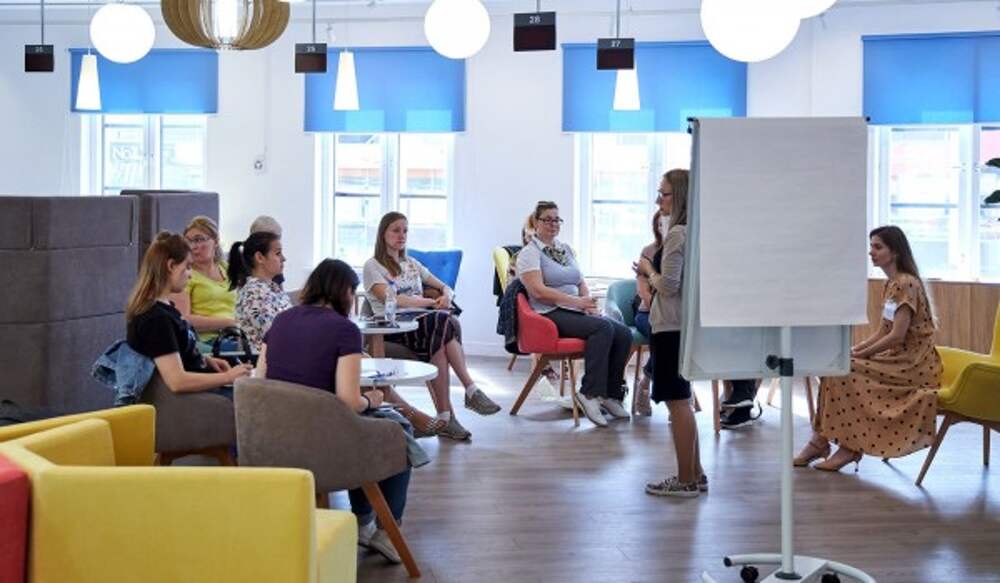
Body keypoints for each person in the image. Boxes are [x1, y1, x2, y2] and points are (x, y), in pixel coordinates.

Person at [256, 258, 407, 564]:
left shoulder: (281, 321)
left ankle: (363, 521)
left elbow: (259, 383)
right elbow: (348, 401)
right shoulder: (344, 330)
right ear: (346, 292)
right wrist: (372, 400)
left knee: (365, 426)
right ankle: (382, 530)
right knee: (399, 430)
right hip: (322, 445)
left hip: (272, 439)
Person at [794, 225, 941, 472]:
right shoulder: (893, 283)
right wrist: (857, 348)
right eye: (871, 246)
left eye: (878, 247)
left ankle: (845, 447)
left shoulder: (905, 284)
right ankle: (823, 441)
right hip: (898, 357)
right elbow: (884, 331)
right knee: (838, 364)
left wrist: (860, 354)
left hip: (913, 363)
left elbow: (897, 336)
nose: (871, 252)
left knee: (844, 369)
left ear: (894, 252)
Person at [363, 212, 502, 440]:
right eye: (396, 230)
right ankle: (469, 390)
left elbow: (445, 286)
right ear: (383, 234)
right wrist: (429, 302)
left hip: (423, 325)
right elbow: (393, 299)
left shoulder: (411, 264)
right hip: (394, 328)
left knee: (443, 328)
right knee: (445, 322)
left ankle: (446, 416)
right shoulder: (373, 266)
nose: (401, 235)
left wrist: (446, 296)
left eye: (405, 230)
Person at [517, 201, 633, 428]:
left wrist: (587, 303)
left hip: (575, 309)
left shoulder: (565, 249)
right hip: (550, 313)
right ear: (536, 222)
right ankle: (588, 393)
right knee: (602, 328)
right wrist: (577, 302)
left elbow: (580, 281)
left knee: (623, 333)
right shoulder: (529, 254)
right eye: (547, 219)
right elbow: (538, 292)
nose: (553, 224)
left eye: (556, 219)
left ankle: (610, 395)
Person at [637, 169, 707, 497]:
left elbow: (668, 286)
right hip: (683, 325)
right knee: (683, 400)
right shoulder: (694, 231)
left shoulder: (678, 234)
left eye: (663, 193)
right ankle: (696, 473)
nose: (658, 200)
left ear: (679, 196)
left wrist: (647, 269)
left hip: (671, 326)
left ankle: (685, 479)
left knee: (677, 402)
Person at [126, 232, 252, 395]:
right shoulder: (157, 319)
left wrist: (205, 360)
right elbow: (177, 381)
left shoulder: (164, 309)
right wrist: (228, 377)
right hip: (193, 400)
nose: (190, 274)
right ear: (171, 266)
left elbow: (173, 353)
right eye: (187, 267)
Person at [173, 216, 237, 347]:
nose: (193, 246)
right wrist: (229, 323)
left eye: (199, 240)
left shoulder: (225, 267)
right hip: (206, 341)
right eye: (188, 241)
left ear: (216, 241)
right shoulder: (184, 275)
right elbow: (183, 319)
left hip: (235, 334)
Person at [228, 231, 291, 353]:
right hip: (266, 359)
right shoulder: (254, 294)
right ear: (260, 258)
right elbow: (277, 335)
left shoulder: (273, 288)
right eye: (278, 253)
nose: (284, 259)